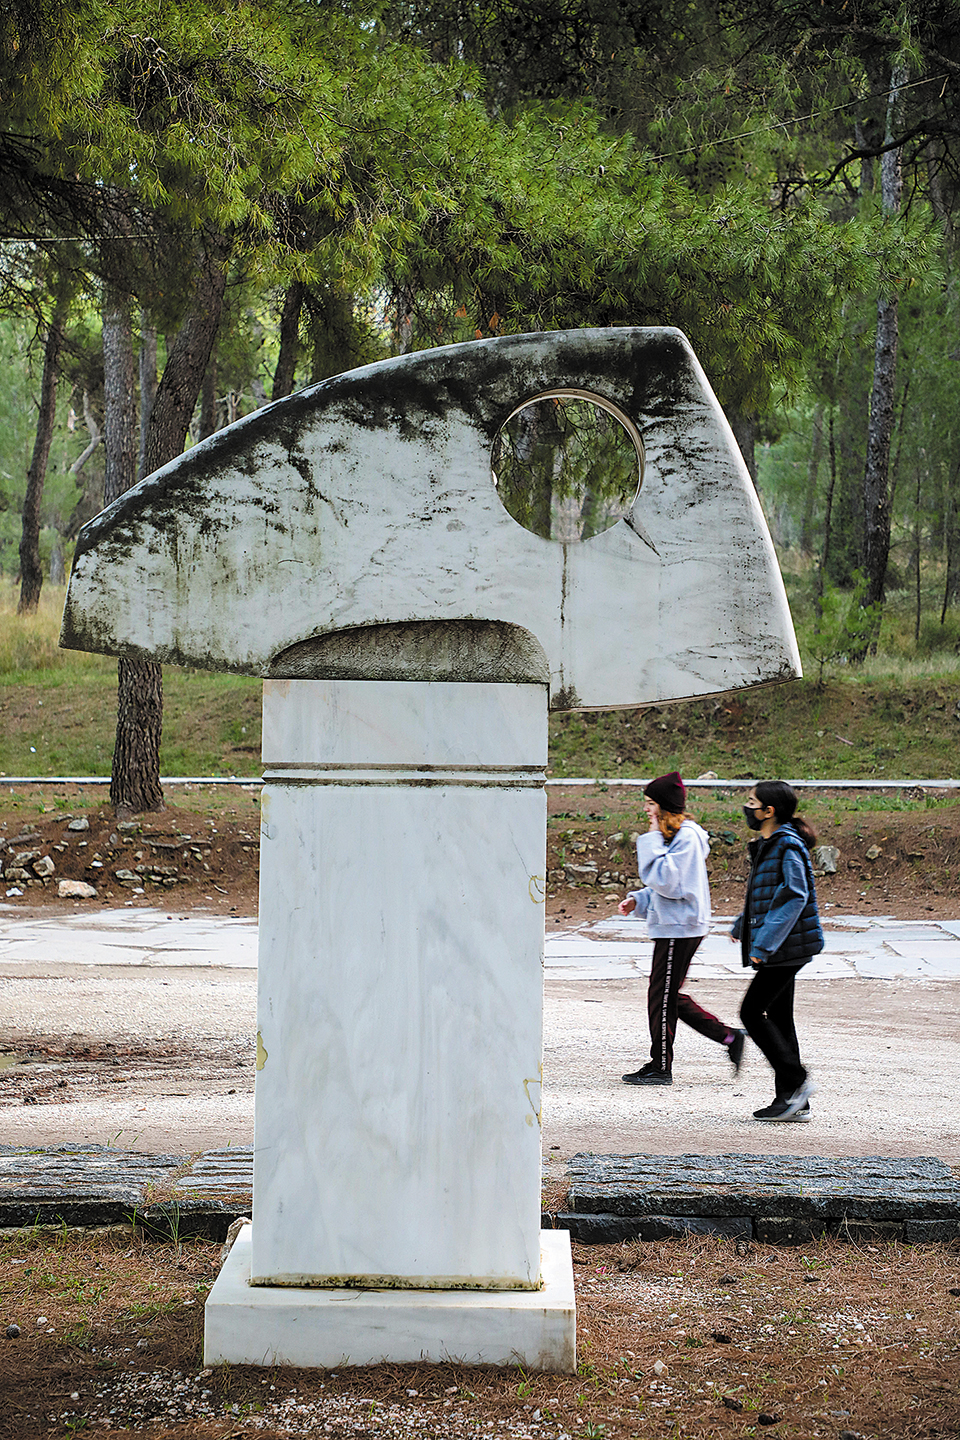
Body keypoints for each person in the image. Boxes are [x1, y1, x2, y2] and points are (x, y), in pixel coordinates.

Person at [618, 771, 745, 1085]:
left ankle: (661, 1066)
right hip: (675, 925)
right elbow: (667, 884)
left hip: (680, 928)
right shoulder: (676, 837)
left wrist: (649, 838)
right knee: (666, 995)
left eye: (651, 804)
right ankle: (729, 1038)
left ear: (664, 806)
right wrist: (640, 899)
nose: (647, 809)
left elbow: (669, 881)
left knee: (661, 995)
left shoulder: (686, 837)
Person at [732, 780, 824, 1122]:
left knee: (751, 1012)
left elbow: (794, 896)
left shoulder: (787, 844)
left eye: (752, 802)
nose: (747, 807)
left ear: (769, 811)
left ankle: (798, 1082)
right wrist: (742, 925)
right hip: (784, 944)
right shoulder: (770, 843)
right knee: (781, 1018)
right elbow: (767, 893)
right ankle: (792, 1100)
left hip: (786, 947)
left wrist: (764, 944)